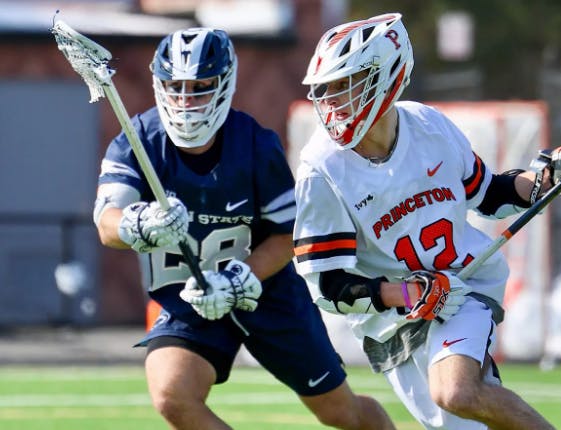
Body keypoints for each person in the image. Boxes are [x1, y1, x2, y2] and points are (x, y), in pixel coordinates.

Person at [292, 13, 561, 430]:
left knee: (456, 391)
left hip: (465, 285)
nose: (332, 103)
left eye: (344, 86)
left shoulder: (428, 127)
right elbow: (329, 287)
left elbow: (489, 194)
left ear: (386, 77)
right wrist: (407, 293)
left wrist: (549, 180)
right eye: (325, 91)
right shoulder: (322, 170)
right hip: (394, 322)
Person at [92, 27, 395, 430]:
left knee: (342, 413)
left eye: (200, 87)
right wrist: (138, 223)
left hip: (266, 295)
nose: (186, 101)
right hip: (189, 299)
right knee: (172, 394)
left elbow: (289, 235)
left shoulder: (253, 145)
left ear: (224, 84)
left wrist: (240, 278)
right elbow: (107, 223)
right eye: (175, 87)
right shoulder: (137, 141)